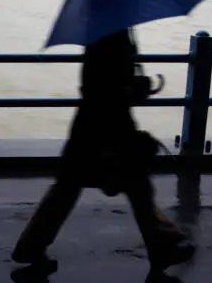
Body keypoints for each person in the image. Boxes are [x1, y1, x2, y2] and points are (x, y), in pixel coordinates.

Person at [11, 29, 195, 273]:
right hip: (108, 126)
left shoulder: (106, 32)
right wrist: (136, 88)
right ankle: (162, 245)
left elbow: (99, 84)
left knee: (69, 187)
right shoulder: (113, 35)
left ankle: (30, 247)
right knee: (135, 185)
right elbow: (107, 87)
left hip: (91, 126)